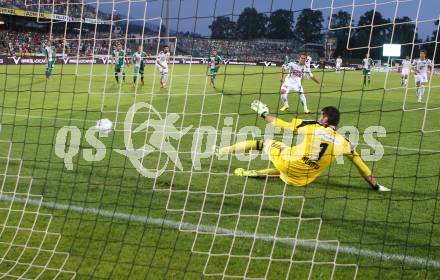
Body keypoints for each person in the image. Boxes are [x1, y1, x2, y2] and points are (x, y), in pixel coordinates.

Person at [217, 100, 390, 191]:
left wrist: (264, 114)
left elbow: (282, 125)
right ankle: (264, 173)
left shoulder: (312, 125)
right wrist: (375, 186)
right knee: (292, 159)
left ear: (325, 119)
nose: (319, 117)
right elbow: (362, 167)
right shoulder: (345, 143)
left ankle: (223, 151)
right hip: (302, 180)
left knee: (263, 143)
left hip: (288, 163)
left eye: (321, 115)